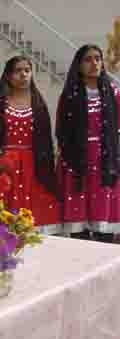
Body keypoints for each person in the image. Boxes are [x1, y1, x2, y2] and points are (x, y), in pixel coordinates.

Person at [0, 55, 61, 234]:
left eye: (27, 70)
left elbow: (46, 141)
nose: (24, 75)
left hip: (33, 166)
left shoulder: (38, 104)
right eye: (18, 71)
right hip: (5, 167)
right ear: (8, 75)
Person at [56, 44, 120, 242]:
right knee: (79, 227)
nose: (94, 63)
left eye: (97, 58)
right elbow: (61, 131)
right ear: (79, 64)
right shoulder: (70, 95)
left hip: (105, 163)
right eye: (88, 59)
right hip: (77, 164)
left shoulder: (113, 93)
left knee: (104, 226)